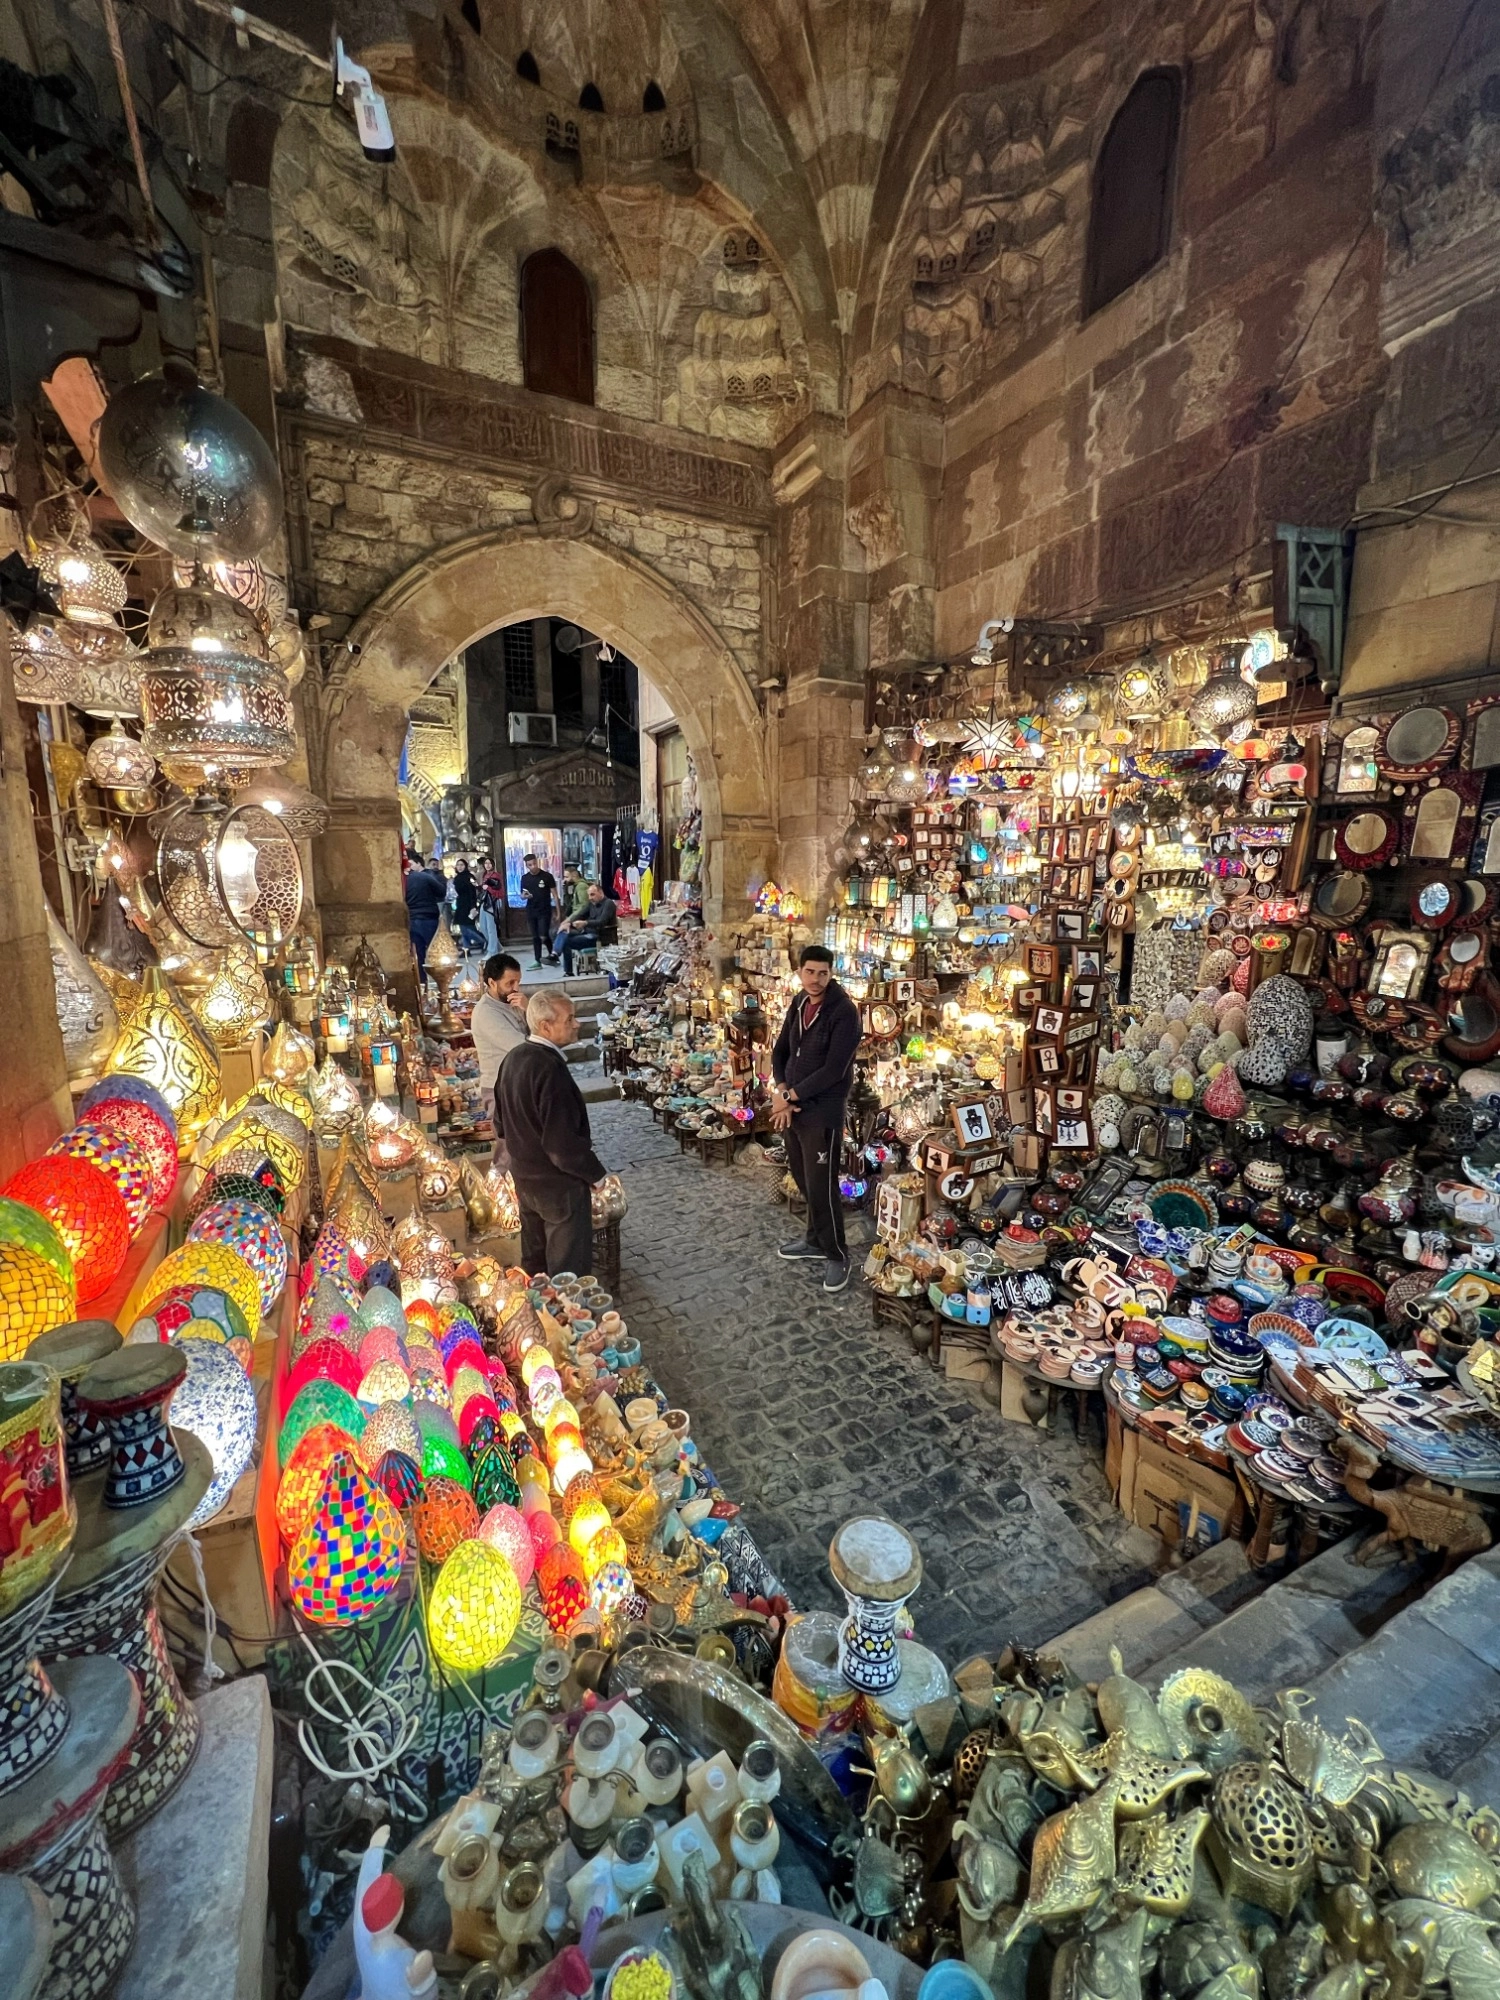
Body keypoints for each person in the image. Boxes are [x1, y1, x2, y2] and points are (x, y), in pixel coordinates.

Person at [493, 987, 608, 1275]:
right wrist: (596, 1175)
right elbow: (561, 1146)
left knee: (535, 1263)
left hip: (526, 1181)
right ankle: (565, 1318)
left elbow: (501, 1123)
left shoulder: (513, 1058)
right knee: (567, 1269)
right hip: (557, 1188)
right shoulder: (549, 1069)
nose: (577, 1024)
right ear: (546, 1026)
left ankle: (537, 1315)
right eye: (569, 1019)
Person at [770, 943, 863, 1293]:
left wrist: (789, 1097)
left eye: (823, 973)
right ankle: (814, 1240)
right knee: (802, 1177)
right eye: (810, 971)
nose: (816, 979)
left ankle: (838, 1253)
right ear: (800, 972)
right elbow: (780, 1050)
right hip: (793, 1108)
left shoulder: (844, 1013)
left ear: (831, 973)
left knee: (823, 1185)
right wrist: (781, 1091)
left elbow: (834, 1070)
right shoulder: (798, 1003)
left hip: (822, 1112)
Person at [471, 952, 528, 1164]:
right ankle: (503, 1194)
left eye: (518, 981)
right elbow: (522, 1046)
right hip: (500, 1089)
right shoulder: (486, 1013)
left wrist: (529, 1009)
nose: (516, 988)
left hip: (518, 1084)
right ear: (492, 983)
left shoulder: (513, 1002)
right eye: (509, 982)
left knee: (524, 1149)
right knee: (509, 1151)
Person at [552, 881, 618, 973]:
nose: (590, 898)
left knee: (565, 941)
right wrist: (568, 923)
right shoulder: (591, 904)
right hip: (586, 932)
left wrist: (585, 923)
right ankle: (555, 954)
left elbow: (602, 922)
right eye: (589, 895)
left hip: (599, 936)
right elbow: (580, 914)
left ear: (600, 892)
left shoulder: (608, 904)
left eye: (592, 895)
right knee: (562, 932)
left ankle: (566, 969)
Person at [403, 853, 447, 974]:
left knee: (418, 956)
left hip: (411, 920)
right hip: (429, 918)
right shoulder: (424, 877)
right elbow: (441, 892)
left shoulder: (399, 882)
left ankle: (423, 985)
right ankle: (441, 983)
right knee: (436, 953)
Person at [518, 851, 558, 968]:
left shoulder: (547, 876)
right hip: (531, 909)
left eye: (534, 863)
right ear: (527, 866)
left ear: (537, 862)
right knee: (535, 936)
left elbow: (555, 895)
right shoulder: (525, 878)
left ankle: (553, 955)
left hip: (545, 910)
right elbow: (522, 894)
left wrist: (558, 912)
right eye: (530, 865)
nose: (533, 866)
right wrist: (524, 896)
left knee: (543, 935)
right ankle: (537, 960)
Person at [451, 859, 485, 952]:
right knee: (466, 927)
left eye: (462, 865)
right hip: (460, 903)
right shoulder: (457, 877)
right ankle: (467, 949)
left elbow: (472, 892)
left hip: (468, 904)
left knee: (466, 928)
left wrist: (473, 906)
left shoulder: (469, 877)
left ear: (465, 866)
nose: (460, 867)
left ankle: (482, 941)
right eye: (458, 865)